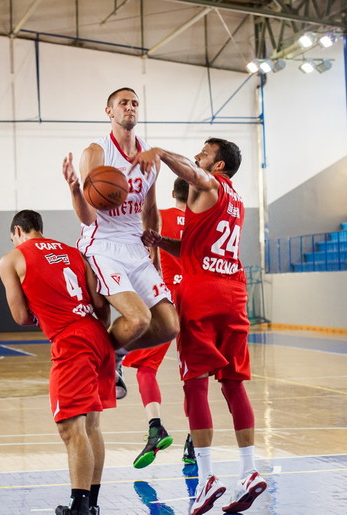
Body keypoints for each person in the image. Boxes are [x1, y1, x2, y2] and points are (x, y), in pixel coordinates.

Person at [134, 138, 267, 515]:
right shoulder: (234, 198)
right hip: (233, 292)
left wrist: (159, 154)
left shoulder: (210, 183)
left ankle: (206, 476)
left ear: (219, 165)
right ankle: (249, 470)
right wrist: (161, 241)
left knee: (195, 384)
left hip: (202, 294)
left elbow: (192, 173)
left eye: (205, 153)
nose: (197, 157)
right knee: (234, 383)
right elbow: (197, 247)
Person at [62, 87, 180, 399]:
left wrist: (153, 255)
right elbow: (88, 219)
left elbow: (150, 210)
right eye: (123, 103)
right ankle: (103, 359)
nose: (130, 107)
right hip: (102, 244)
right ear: (109, 112)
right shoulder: (96, 153)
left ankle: (113, 354)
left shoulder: (149, 157)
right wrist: (76, 190)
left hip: (135, 246)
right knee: (139, 318)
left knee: (169, 325)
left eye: (135, 103)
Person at [0, 210, 116, 515]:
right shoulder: (73, 251)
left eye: (13, 237)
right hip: (98, 335)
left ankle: (79, 506)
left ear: (18, 231)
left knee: (70, 428)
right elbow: (101, 304)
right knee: (91, 426)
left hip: (71, 341)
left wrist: (45, 312)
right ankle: (92, 504)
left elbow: (22, 317)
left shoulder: (12, 258)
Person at [122, 178, 192, 468]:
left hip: (164, 299)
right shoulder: (203, 222)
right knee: (195, 376)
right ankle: (194, 440)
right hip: (197, 297)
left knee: (145, 368)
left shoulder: (159, 219)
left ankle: (156, 427)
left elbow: (141, 258)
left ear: (173, 193)